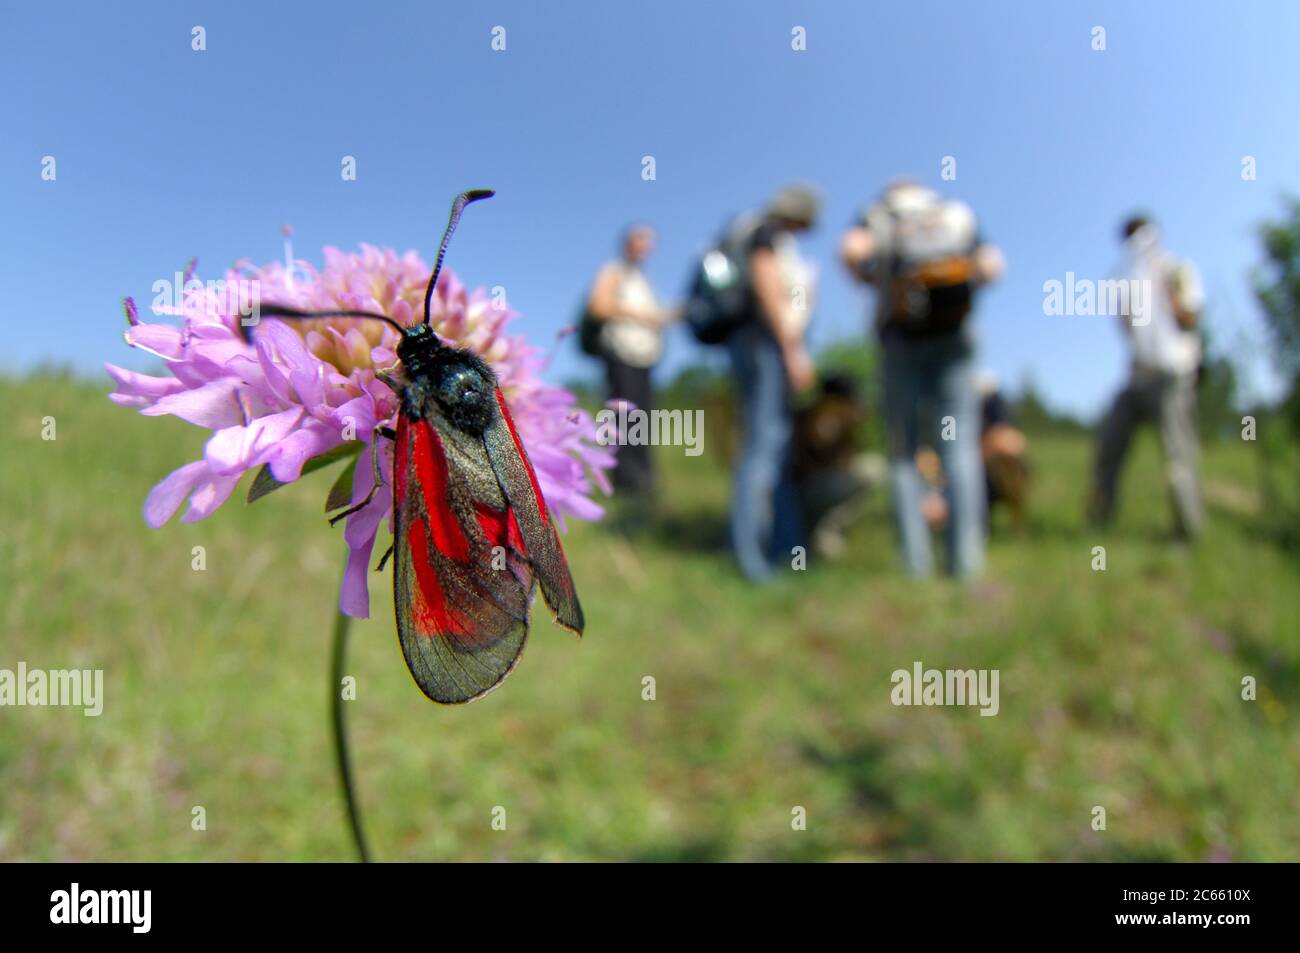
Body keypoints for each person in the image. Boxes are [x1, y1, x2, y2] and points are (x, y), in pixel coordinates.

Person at [840, 180, 1004, 578]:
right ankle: (966, 562)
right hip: (956, 337)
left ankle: (915, 564)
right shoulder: (953, 212)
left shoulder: (879, 214)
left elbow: (851, 252)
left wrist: (874, 279)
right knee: (959, 447)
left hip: (901, 339)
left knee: (902, 452)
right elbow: (992, 266)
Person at [726, 184, 821, 581]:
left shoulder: (751, 229)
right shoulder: (765, 231)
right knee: (763, 447)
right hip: (764, 344)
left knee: (775, 447)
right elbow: (766, 280)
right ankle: (753, 560)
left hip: (756, 344)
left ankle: (786, 550)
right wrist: (792, 350)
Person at [1088, 214, 1205, 538]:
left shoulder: (1178, 270)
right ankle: (1100, 522)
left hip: (1173, 375)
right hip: (1138, 378)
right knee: (1109, 447)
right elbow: (1129, 332)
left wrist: (1163, 289)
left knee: (1177, 456)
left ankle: (1188, 531)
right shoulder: (1128, 281)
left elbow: (1191, 317)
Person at [586, 224, 673, 496]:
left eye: (649, 241)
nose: (645, 246)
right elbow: (597, 306)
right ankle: (625, 484)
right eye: (640, 240)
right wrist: (642, 315)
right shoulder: (614, 271)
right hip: (622, 357)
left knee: (643, 420)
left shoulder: (644, 281)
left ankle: (643, 483)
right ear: (628, 244)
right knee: (624, 418)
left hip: (644, 360)